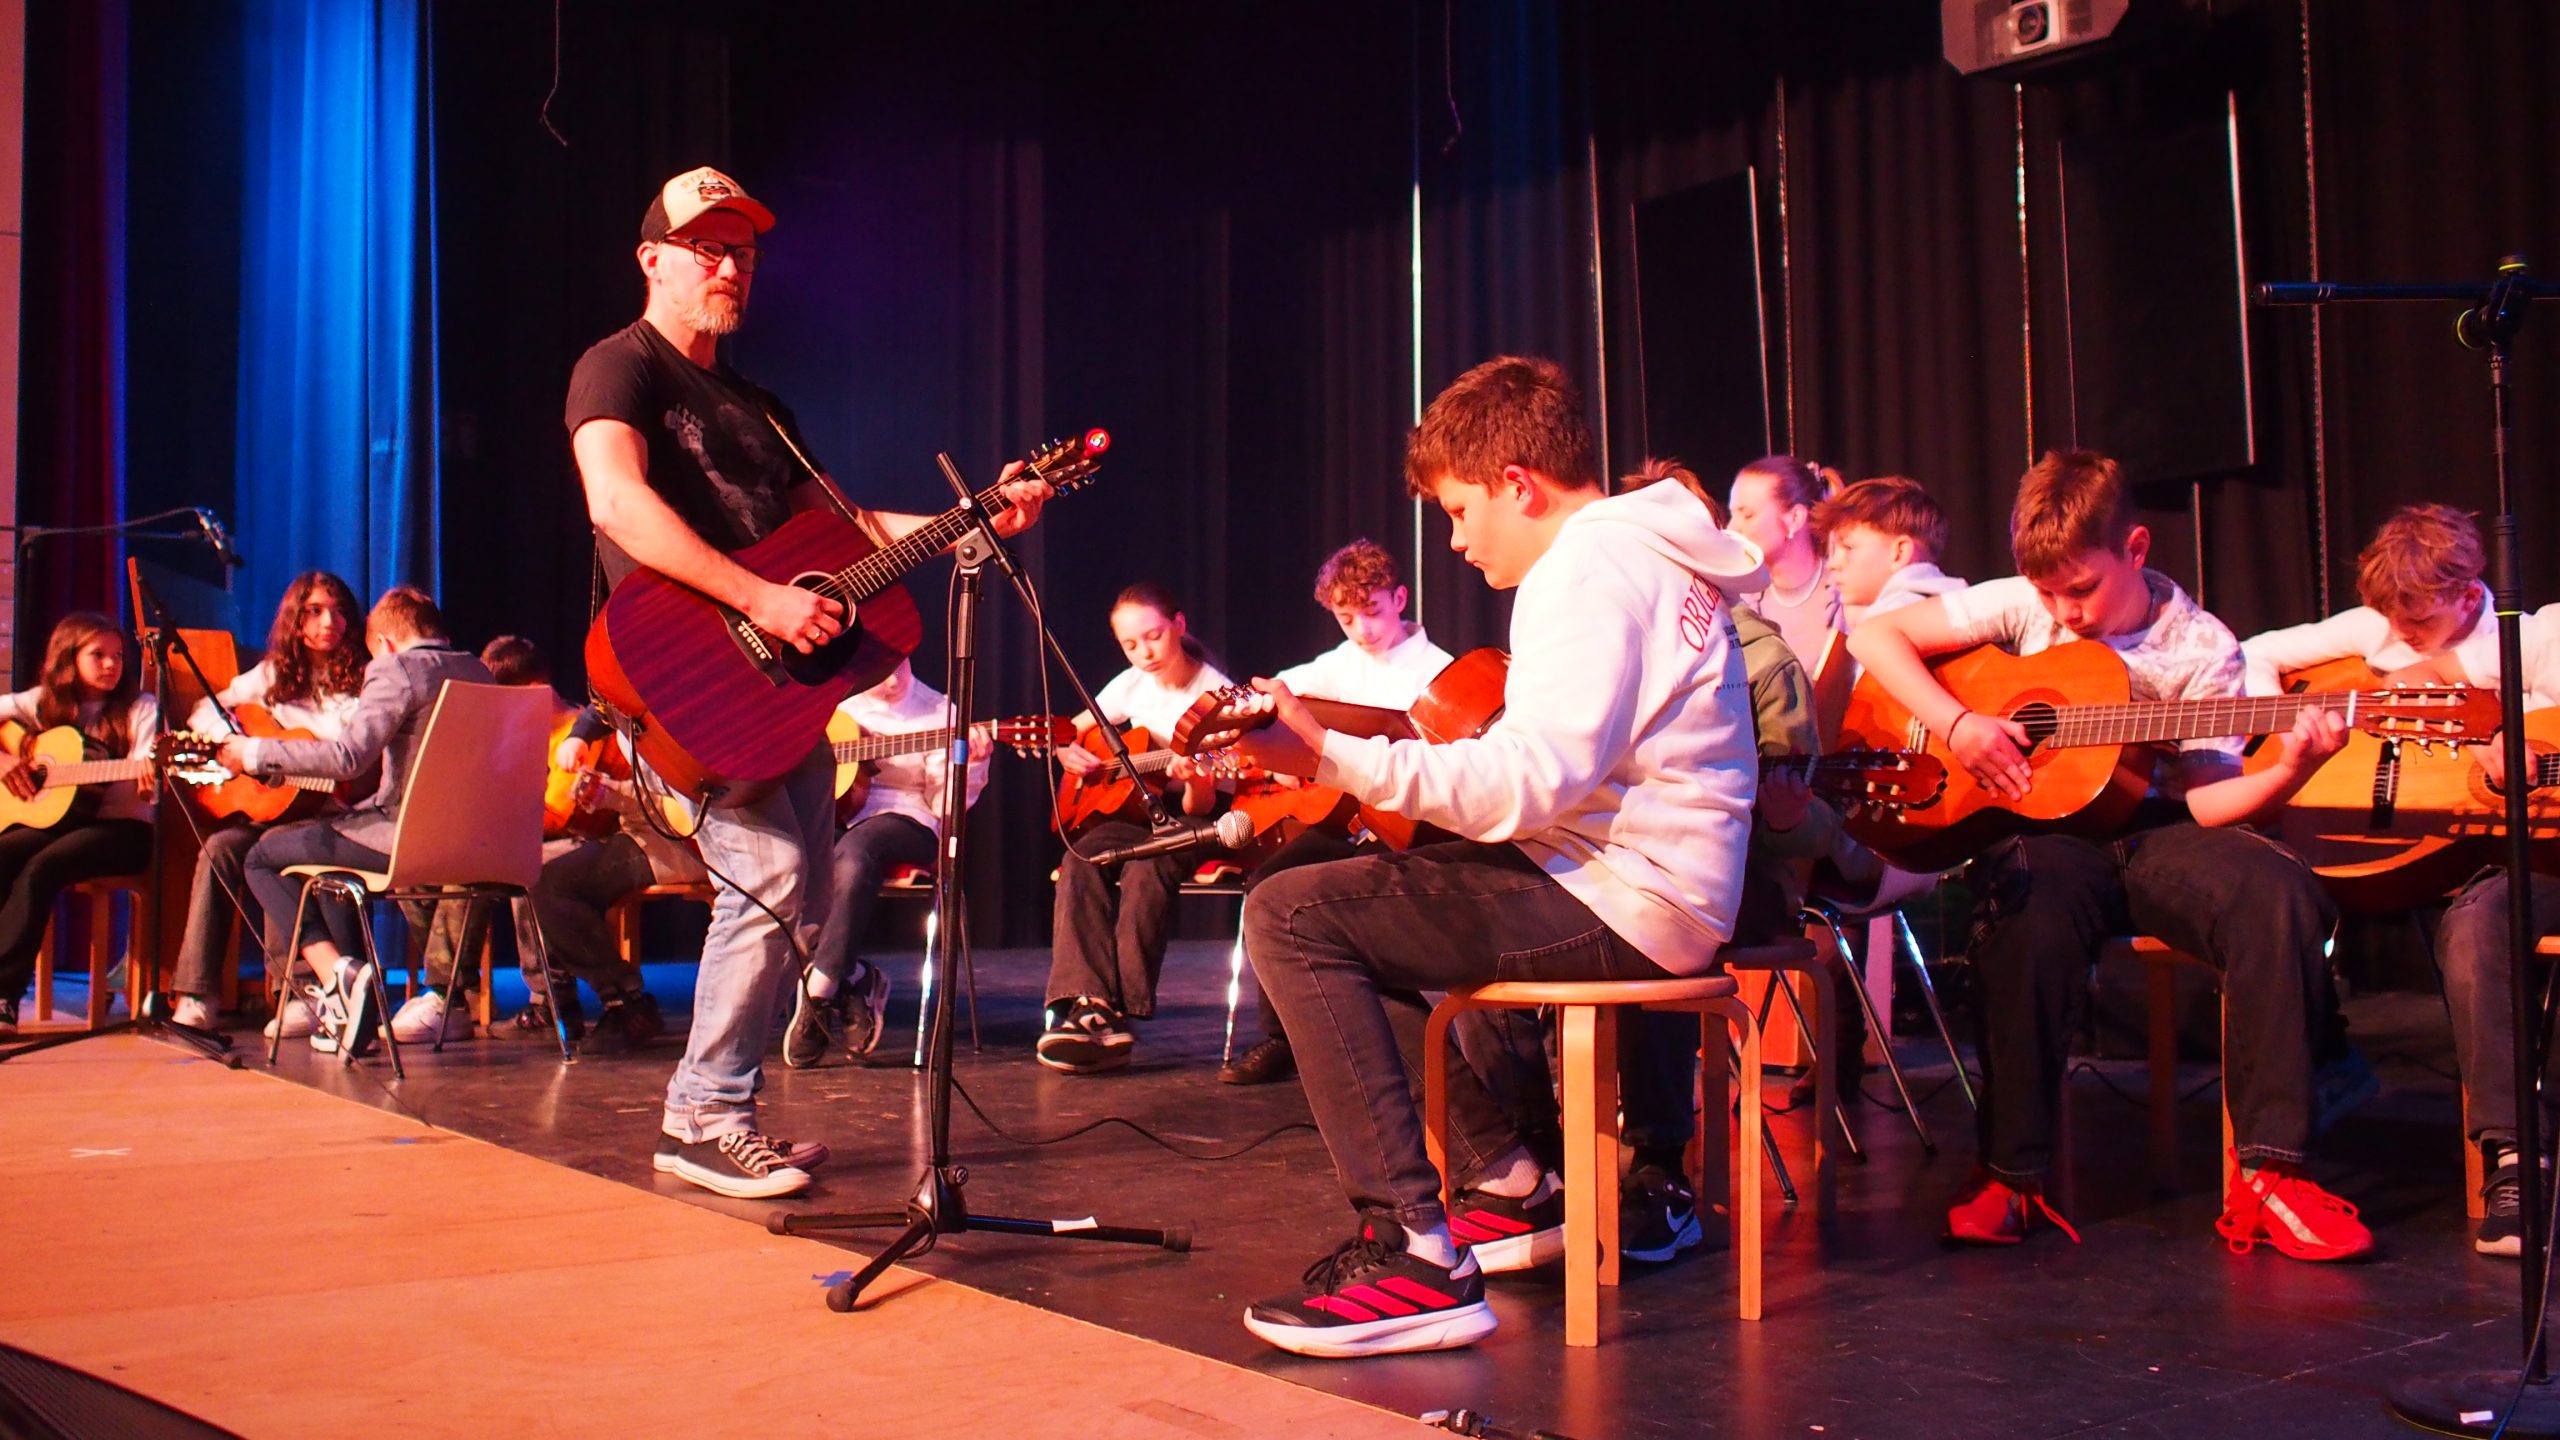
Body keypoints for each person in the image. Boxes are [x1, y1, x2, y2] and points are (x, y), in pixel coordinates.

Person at [1225, 356, 1765, 1357]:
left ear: (1518, 484)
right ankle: (1514, 1184)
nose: (1456, 539)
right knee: (1336, 905)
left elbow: (1527, 783)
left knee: (1291, 915)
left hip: (1631, 897)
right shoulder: (1643, 549)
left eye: (1460, 509)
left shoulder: (1588, 569)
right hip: (1642, 883)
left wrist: (1333, 756)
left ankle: (1419, 1258)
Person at [568, 166, 1049, 1198]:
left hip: (775, 687)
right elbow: (615, 502)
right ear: (652, 260)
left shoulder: (758, 406)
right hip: (687, 668)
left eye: (742, 251)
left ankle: (719, 1108)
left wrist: (978, 516)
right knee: (774, 875)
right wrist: (760, 600)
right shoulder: (619, 367)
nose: (730, 266)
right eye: (707, 248)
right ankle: (702, 1115)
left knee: (808, 888)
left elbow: (852, 530)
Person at [1846, 449, 2364, 1260]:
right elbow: (1878, 636)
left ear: (2136, 548)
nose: (2066, 611)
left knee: (2277, 888)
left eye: (2082, 589)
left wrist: (2292, 768)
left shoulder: (2202, 647)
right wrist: (1959, 724)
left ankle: (2273, 1176)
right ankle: (2010, 1175)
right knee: (2026, 896)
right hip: (2050, 839)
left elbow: (2208, 800)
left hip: (2160, 831)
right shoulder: (2026, 603)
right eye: (2051, 593)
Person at [2240, 504, 2560, 1254]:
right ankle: (2506, 1158)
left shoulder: (2537, 637)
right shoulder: (2382, 634)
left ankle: (2514, 1155)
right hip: (2434, 847)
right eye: (2393, 621)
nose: (2401, 635)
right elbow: (2255, 655)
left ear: (2470, 593)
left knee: (2479, 922)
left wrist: (2512, 732)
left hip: (2538, 861)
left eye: (2418, 620)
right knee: (2286, 889)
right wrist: (2289, 746)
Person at [1219, 538, 1453, 1087]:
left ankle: (1410, 1051)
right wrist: (1276, 755)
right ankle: (1283, 1037)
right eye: (1347, 619)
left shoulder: (1438, 672)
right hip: (1345, 821)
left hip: (1408, 826)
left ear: (1399, 599)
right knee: (1268, 885)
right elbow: (1269, 702)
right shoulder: (1335, 666)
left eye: (1372, 612)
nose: (1362, 630)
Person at [226, 587, 490, 1058]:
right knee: (329, 853)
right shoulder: (479, 671)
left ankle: (337, 975)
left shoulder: (396, 669)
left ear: (384, 643)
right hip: (477, 843)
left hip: (407, 839)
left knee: (262, 856)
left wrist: (254, 752)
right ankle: (376, 994)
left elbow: (348, 758)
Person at [1036, 582, 1231, 1073]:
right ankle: (1090, 1001)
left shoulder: (1215, 697)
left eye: (1154, 636)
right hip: (1135, 813)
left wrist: (1195, 780)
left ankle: (1109, 1011)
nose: (1144, 653)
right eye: (1130, 644)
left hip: (1194, 818)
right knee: (1082, 856)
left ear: (1179, 625)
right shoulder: (1131, 684)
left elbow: (1204, 804)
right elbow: (1070, 730)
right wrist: (1066, 751)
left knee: (1149, 868)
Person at [162, 573, 366, 1035]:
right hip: (270, 808)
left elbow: (349, 755)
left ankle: (298, 991)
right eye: (315, 611)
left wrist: (277, 755)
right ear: (296, 620)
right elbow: (206, 711)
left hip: (330, 813)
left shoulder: (362, 681)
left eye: (338, 612)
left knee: (274, 851)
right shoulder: (272, 674)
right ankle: (197, 992)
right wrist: (236, 746)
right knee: (219, 849)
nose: (329, 622)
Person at [782, 658, 990, 1068]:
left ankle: (819, 991)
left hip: (909, 821)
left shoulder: (940, 713)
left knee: (859, 850)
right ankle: (856, 978)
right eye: (881, 672)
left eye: (901, 667)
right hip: (837, 818)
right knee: (786, 861)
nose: (894, 680)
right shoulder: (834, 704)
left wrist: (974, 766)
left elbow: (944, 805)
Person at [0, 614, 161, 1032]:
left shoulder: (141, 707)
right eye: (98, 655)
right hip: (62, 824)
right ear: (68, 657)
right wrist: (7, 759)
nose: (111, 665)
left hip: (124, 832)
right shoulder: (43, 702)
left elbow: (146, 772)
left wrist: (149, 779)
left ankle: (3, 996)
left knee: (42, 868)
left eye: (118, 656)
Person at [1727, 454, 1845, 679]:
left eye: (1747, 515)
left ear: (1795, 518)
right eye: (1733, 515)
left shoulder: (1845, 593)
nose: (1731, 529)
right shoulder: (1739, 601)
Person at [1815, 475, 1967, 628]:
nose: (1832, 564)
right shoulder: (1954, 607)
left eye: (1849, 548)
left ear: (1899, 553)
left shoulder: (1887, 620)